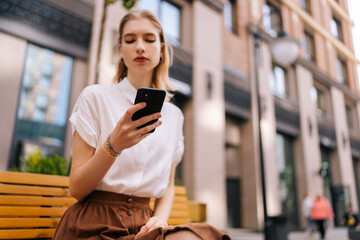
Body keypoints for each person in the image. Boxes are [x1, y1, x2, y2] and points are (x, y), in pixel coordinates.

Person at [52, 10, 231, 240]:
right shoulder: (94, 97)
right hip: (93, 224)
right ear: (120, 50)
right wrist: (113, 146)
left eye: (149, 39)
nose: (139, 46)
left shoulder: (174, 115)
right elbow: (76, 188)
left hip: (145, 227)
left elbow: (168, 186)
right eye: (130, 40)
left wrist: (160, 219)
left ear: (162, 50)